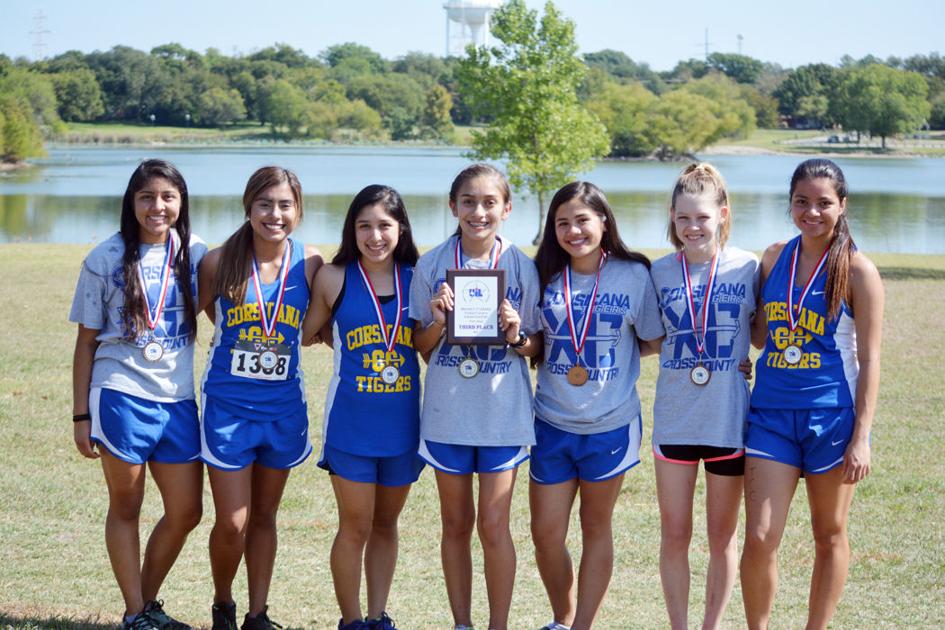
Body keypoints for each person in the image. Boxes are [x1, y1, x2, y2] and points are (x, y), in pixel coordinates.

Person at [740, 158, 883, 629]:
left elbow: (871, 359)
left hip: (831, 419)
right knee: (760, 537)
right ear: (791, 204)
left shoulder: (858, 270)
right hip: (771, 416)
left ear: (842, 206)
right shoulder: (773, 256)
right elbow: (760, 335)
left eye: (824, 202)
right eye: (802, 201)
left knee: (829, 533)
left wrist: (861, 435)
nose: (812, 212)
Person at [70, 159, 205, 630]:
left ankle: (144, 603)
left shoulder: (197, 254)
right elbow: (86, 342)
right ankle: (135, 612)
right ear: (132, 202)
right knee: (126, 506)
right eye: (147, 197)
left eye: (168, 197)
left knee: (187, 511)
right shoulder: (104, 258)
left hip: (179, 399)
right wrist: (80, 416)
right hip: (120, 394)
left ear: (181, 202)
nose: (158, 206)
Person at [410, 163, 541, 630]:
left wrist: (514, 333)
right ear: (453, 207)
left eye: (489, 202)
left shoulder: (523, 265)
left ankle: (497, 625)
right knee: (455, 525)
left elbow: (536, 347)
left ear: (506, 208)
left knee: (494, 526)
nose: (478, 211)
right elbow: (421, 348)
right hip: (448, 414)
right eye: (469, 201)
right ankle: (462, 623)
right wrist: (439, 320)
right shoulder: (431, 264)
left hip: (502, 414)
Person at [530, 181, 663, 630]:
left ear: (604, 222)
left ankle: (581, 625)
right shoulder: (543, 273)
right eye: (562, 222)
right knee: (546, 536)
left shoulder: (633, 274)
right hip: (550, 420)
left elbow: (650, 339)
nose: (573, 230)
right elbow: (533, 343)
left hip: (611, 423)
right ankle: (562, 617)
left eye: (582, 220)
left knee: (595, 527)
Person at [197, 166, 323, 630]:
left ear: (299, 210)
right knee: (232, 521)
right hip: (228, 409)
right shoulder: (217, 262)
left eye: (285, 205)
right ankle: (223, 604)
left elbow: (316, 328)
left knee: (266, 517)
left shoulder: (310, 263)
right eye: (265, 204)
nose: (275, 214)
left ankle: (257, 614)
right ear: (249, 207)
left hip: (283, 410)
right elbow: (210, 316)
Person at [300, 185, 423, 630]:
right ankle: (351, 621)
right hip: (351, 425)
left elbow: (428, 343)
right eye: (364, 226)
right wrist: (341, 342)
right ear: (352, 230)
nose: (375, 236)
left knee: (386, 525)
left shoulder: (420, 275)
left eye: (384, 226)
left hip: (404, 426)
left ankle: (377, 616)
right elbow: (308, 331)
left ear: (401, 229)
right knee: (354, 526)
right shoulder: (335, 277)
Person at [649, 164, 758, 630]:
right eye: (683, 219)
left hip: (726, 419)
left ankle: (711, 625)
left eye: (703, 218)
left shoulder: (750, 266)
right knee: (674, 535)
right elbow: (649, 338)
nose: (693, 228)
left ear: (723, 216)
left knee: (721, 536)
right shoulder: (656, 271)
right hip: (674, 420)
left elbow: (763, 333)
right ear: (672, 218)